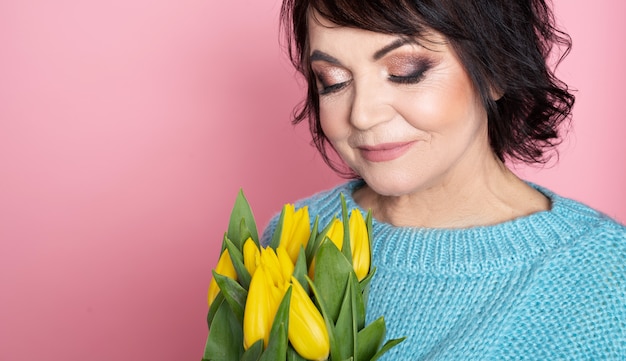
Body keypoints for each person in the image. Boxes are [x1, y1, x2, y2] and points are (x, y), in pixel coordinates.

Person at [261, 0, 626, 359]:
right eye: (333, 81)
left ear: (495, 68)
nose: (362, 114)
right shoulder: (290, 239)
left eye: (406, 70)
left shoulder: (606, 278)